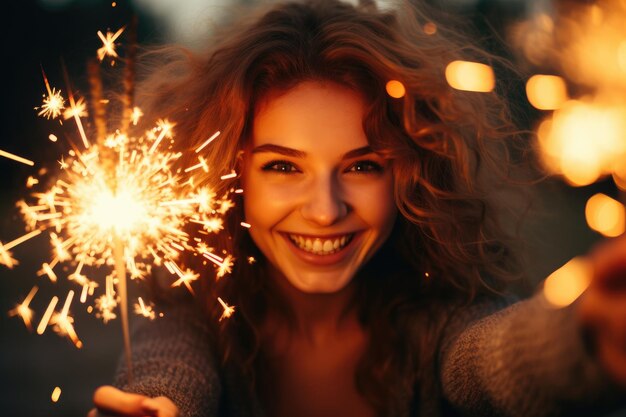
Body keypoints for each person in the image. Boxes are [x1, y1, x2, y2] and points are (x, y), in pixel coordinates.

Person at [89, 1, 626, 416]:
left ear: (411, 176)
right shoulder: (193, 325)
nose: (325, 211)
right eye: (283, 166)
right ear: (229, 177)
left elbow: (496, 358)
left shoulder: (443, 320)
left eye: (362, 166)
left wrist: (582, 338)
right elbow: (167, 374)